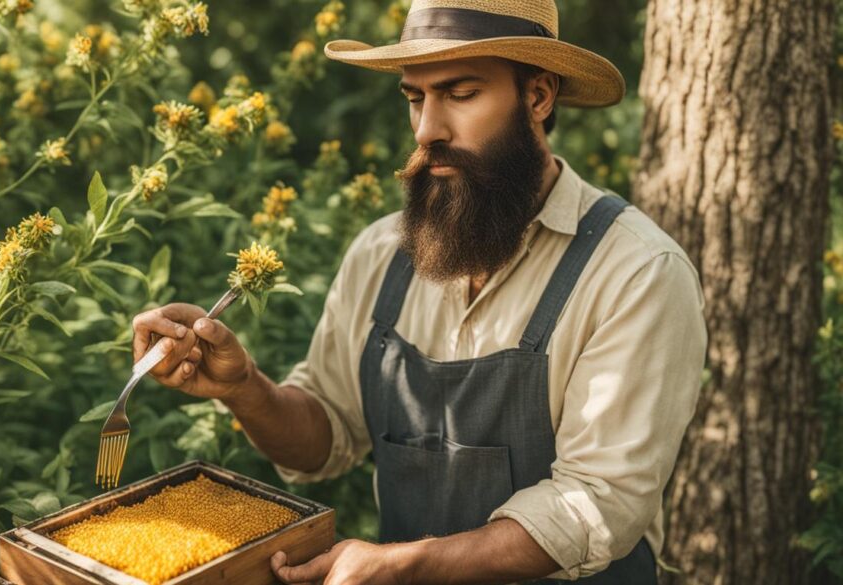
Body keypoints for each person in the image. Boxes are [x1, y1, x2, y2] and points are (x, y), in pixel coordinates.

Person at [130, 0, 708, 582]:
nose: (428, 129)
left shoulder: (636, 272)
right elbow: (325, 437)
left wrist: (402, 565)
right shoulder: (383, 253)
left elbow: (597, 507)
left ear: (538, 96)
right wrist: (243, 387)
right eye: (415, 98)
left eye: (460, 94)